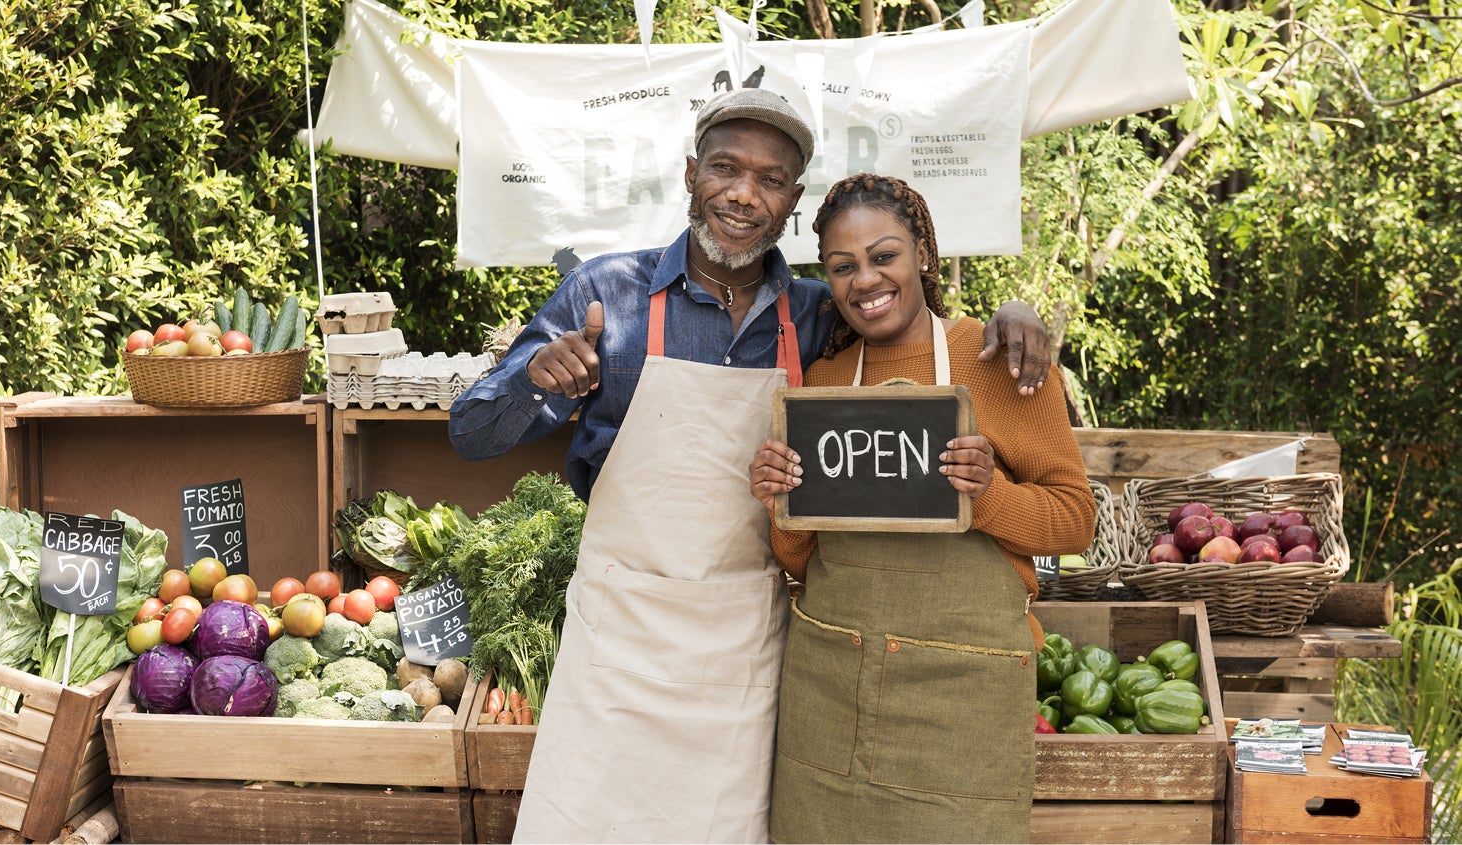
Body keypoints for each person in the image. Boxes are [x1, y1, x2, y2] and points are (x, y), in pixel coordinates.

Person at [449, 89, 1052, 843]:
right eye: (726, 168)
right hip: (620, 639)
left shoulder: (816, 312)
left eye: (770, 179)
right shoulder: (608, 293)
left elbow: (903, 313)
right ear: (692, 173)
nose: (743, 193)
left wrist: (1012, 314)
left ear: (792, 201)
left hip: (745, 641)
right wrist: (534, 376)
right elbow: (470, 433)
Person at [748, 173, 1096, 844]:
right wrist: (779, 501)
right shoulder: (821, 385)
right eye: (842, 267)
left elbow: (1074, 519)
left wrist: (987, 495)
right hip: (831, 692)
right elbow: (800, 559)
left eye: (885, 256)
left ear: (924, 254)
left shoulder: (999, 362)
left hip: (959, 700)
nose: (864, 279)